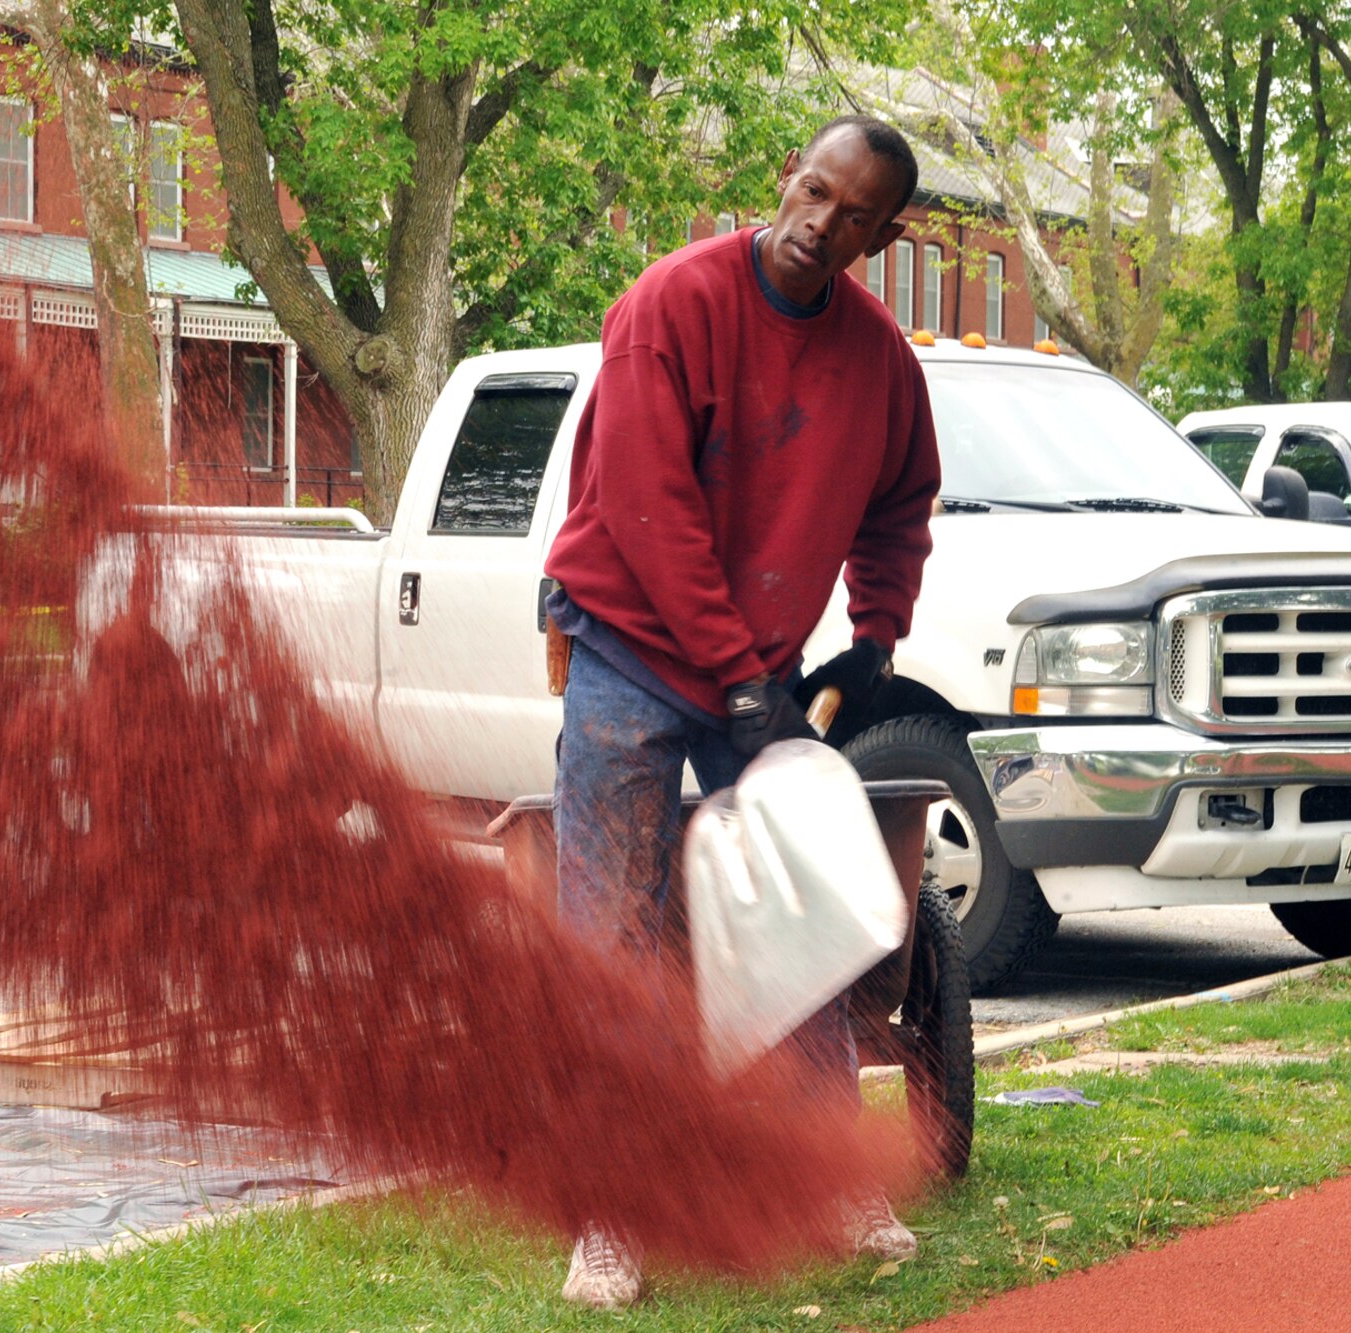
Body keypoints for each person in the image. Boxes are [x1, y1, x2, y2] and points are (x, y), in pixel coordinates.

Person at [542, 114, 941, 1309]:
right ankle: (607, 1216)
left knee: (800, 927)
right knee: (607, 934)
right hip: (627, 644)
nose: (820, 223)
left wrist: (873, 635)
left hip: (754, 671)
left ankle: (823, 1175)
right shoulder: (668, 307)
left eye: (853, 214)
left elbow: (900, 503)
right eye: (813, 191)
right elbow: (648, 508)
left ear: (881, 234)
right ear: (785, 179)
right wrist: (738, 679)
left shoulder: (877, 363)